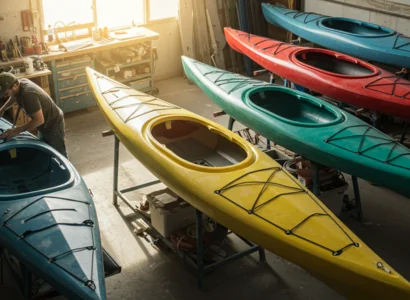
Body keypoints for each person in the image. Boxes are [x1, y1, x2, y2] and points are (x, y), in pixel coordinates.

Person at [0, 72, 68, 158]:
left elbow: (39, 120)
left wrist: (16, 130)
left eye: (6, 93)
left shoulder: (28, 94)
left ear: (14, 86)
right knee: (45, 150)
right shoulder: (19, 84)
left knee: (59, 154)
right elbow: (14, 96)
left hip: (53, 124)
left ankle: (66, 169)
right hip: (44, 125)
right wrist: (2, 109)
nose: (6, 96)